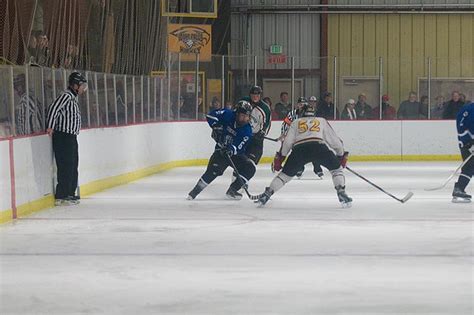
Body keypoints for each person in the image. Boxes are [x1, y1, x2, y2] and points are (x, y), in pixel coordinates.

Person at [256, 103, 352, 208]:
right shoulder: (321, 121)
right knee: (336, 170)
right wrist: (340, 155)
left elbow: (287, 143)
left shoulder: (296, 122)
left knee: (284, 176)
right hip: (319, 147)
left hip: (300, 150)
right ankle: (341, 191)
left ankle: (268, 193)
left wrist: (281, 157)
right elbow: (335, 141)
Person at [187, 101, 254, 200]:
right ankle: (193, 193)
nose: (245, 119)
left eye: (247, 116)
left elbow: (239, 146)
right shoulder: (227, 114)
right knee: (213, 171)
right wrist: (215, 126)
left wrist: (231, 149)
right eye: (242, 115)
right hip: (220, 151)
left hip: (234, 155)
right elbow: (210, 116)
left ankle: (232, 190)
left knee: (250, 168)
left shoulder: (247, 130)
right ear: (236, 113)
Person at [46, 72, 87, 206]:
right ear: (75, 85)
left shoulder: (73, 98)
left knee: (73, 164)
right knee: (65, 165)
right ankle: (62, 195)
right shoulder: (66, 96)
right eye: (82, 85)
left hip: (71, 136)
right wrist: (51, 126)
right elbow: (54, 108)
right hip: (63, 136)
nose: (83, 88)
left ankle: (70, 192)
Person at [277, 97, 324, 179]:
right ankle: (300, 168)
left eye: (304, 104)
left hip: (308, 136)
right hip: (296, 137)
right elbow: (285, 124)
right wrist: (284, 134)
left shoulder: (310, 113)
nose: (302, 106)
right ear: (297, 105)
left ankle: (318, 169)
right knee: (298, 153)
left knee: (314, 151)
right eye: (300, 104)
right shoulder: (292, 114)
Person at [239, 86, 272, 164]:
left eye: (257, 95)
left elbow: (267, 123)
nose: (255, 97)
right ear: (250, 95)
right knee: (240, 161)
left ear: (260, 95)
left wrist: (263, 132)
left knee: (250, 162)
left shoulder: (265, 108)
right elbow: (235, 115)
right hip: (242, 136)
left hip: (256, 139)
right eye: (253, 94)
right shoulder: (243, 101)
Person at [452, 102, 474, 203]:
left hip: (465, 143)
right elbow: (470, 126)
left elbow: (460, 126)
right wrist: (471, 143)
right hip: (469, 143)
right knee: (469, 167)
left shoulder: (465, 108)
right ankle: (459, 189)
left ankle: (459, 188)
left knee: (469, 167)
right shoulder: (471, 110)